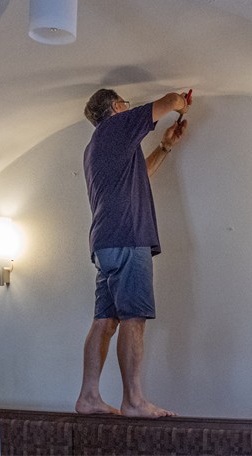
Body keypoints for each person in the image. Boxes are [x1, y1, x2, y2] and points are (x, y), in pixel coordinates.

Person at [75, 88, 192, 418]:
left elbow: (141, 173)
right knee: (133, 318)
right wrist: (183, 106)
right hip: (128, 237)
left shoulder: (96, 146)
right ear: (117, 107)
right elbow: (170, 100)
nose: (128, 108)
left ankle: (88, 397)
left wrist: (166, 146)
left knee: (105, 321)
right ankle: (134, 401)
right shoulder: (118, 125)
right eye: (125, 104)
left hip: (106, 244)